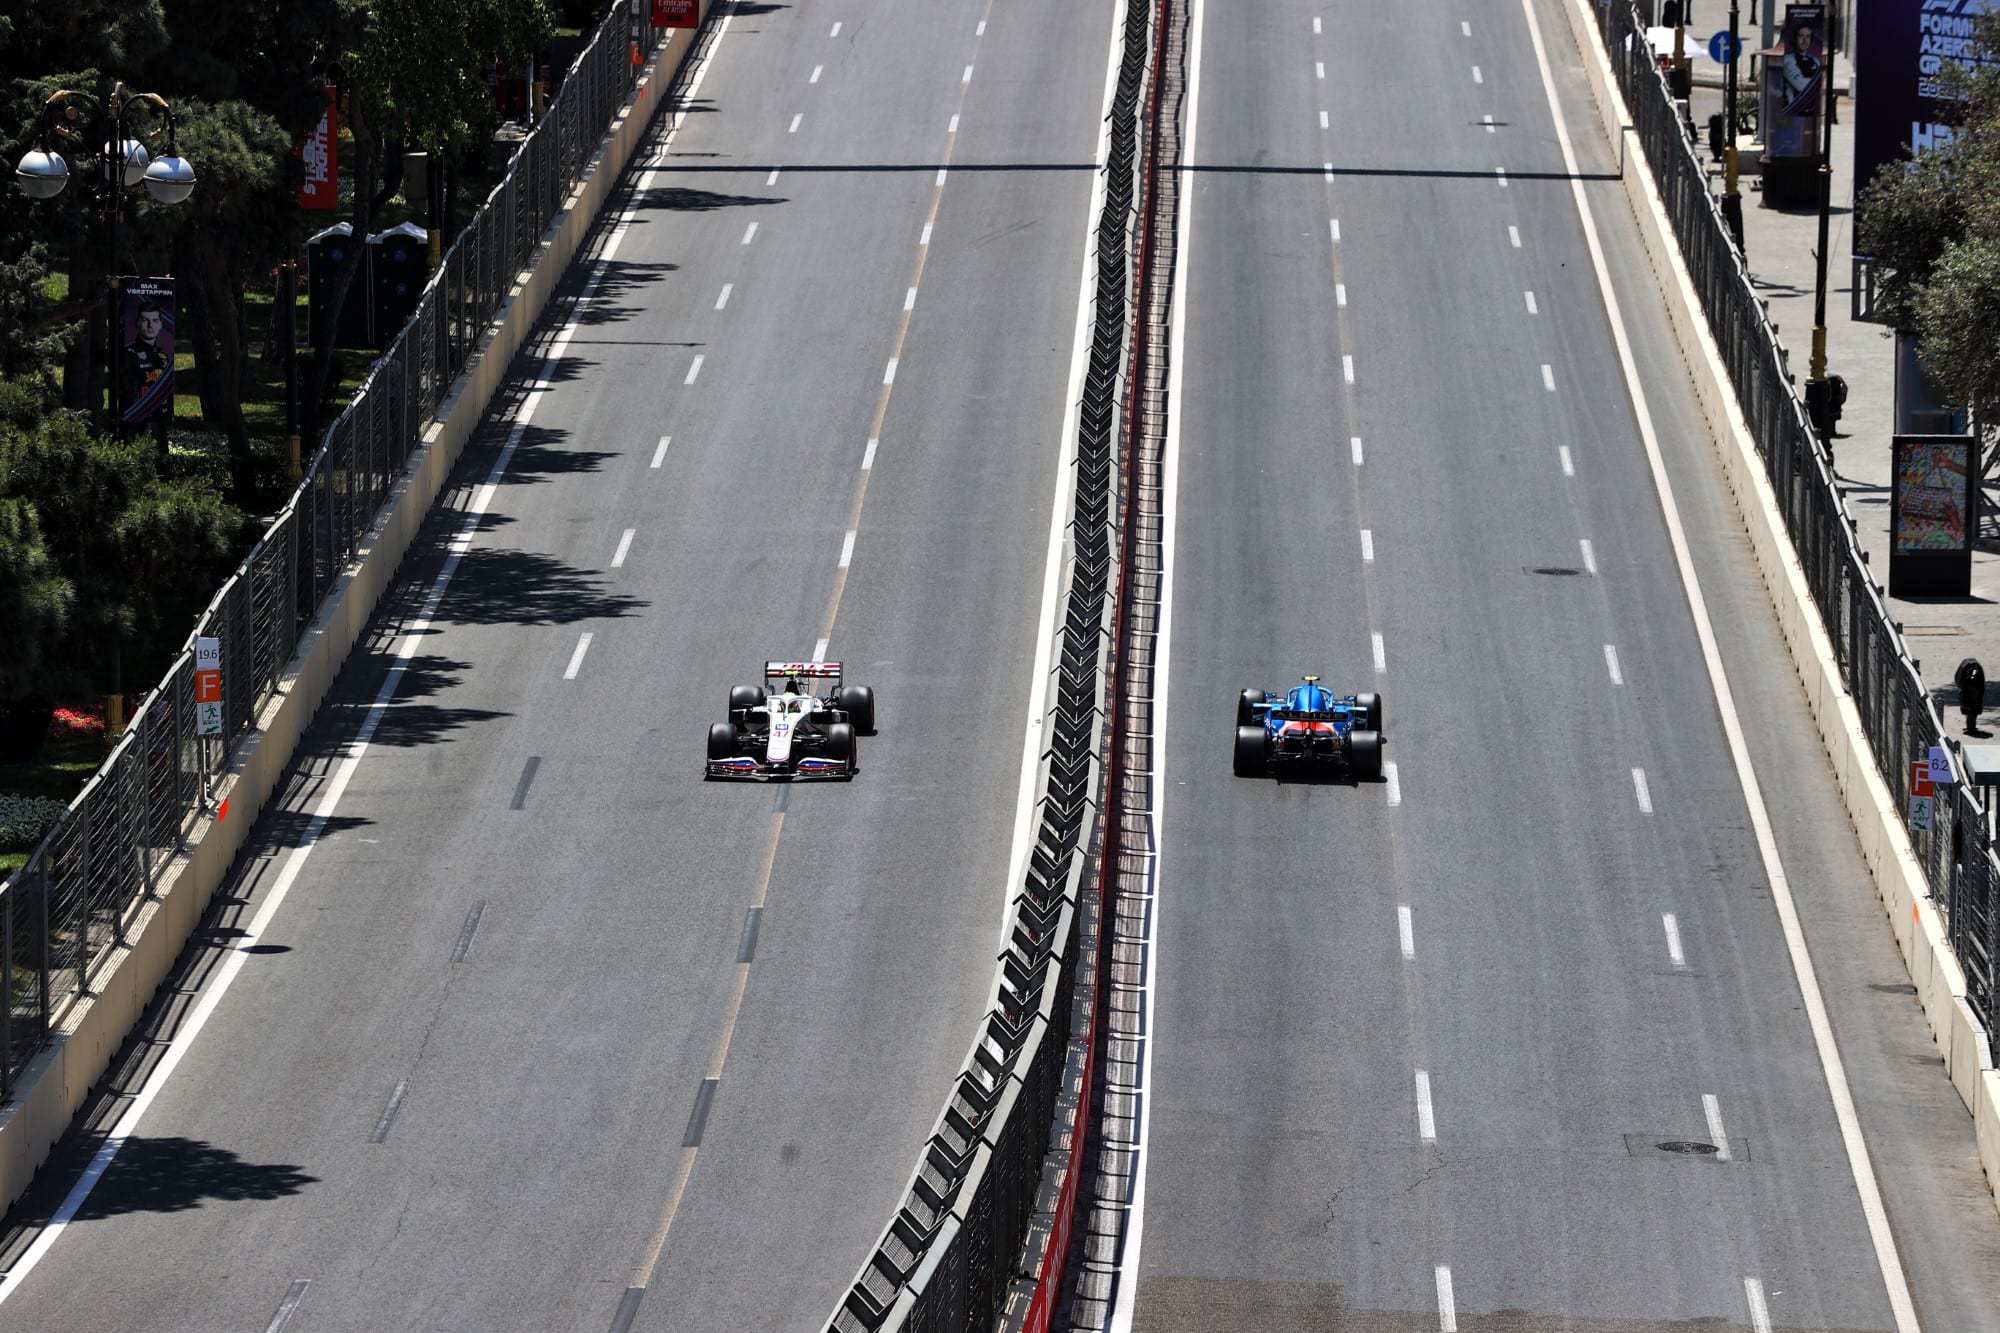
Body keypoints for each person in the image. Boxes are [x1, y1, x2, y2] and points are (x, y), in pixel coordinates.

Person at [122, 300, 170, 421]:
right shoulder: (128, 353)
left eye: (155, 320)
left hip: (161, 414)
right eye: (145, 320)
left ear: (160, 324)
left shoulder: (163, 354)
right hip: (136, 414)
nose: (150, 325)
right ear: (137, 323)